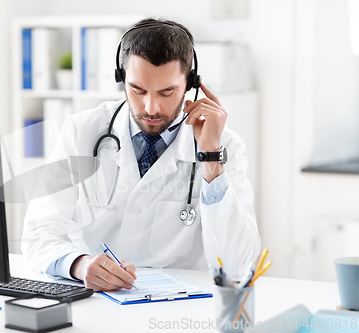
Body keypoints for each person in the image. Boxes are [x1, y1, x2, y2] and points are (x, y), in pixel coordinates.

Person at [22, 18, 260, 292]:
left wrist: (210, 159)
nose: (151, 107)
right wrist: (79, 264)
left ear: (191, 83)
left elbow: (238, 265)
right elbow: (38, 233)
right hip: (97, 301)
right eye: (138, 90)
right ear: (122, 78)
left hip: (179, 306)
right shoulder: (81, 132)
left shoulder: (225, 146)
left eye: (167, 91)